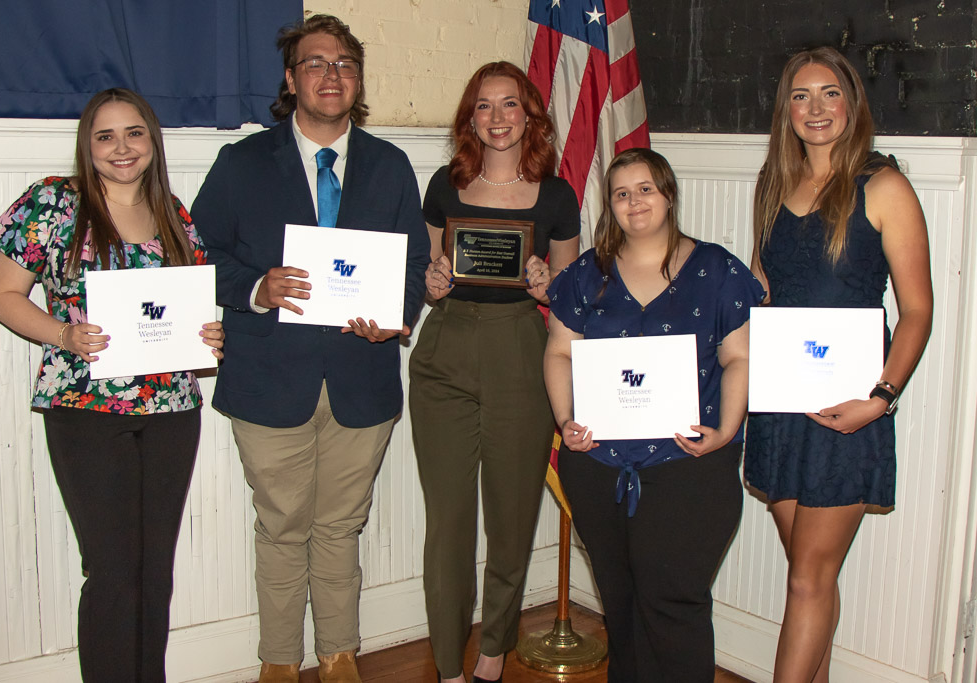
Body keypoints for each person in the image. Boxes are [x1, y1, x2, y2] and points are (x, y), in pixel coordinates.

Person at [189, 14, 428, 683]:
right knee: (283, 524)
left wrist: (396, 315)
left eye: (345, 63)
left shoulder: (390, 165)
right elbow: (196, 252)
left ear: (358, 78)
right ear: (291, 79)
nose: (332, 75)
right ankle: (278, 659)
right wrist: (257, 288)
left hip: (363, 378)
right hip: (268, 375)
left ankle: (340, 651)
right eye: (316, 63)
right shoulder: (242, 163)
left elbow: (413, 266)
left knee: (340, 524)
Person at [0, 88, 224, 683]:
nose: (122, 148)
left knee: (154, 569)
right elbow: (2, 298)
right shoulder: (53, 203)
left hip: (171, 406)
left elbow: (182, 307)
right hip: (86, 406)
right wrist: (63, 335)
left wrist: (208, 334)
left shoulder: (173, 210)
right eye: (106, 135)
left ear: (153, 141)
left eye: (135, 133)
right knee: (114, 571)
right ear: (87, 145)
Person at [744, 47, 932, 682]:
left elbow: (917, 312)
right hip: (781, 404)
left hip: (850, 405)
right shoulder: (773, 186)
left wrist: (881, 397)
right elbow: (764, 291)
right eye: (801, 95)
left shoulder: (884, 186)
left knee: (807, 580)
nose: (815, 108)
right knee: (811, 579)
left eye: (830, 93)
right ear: (786, 110)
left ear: (852, 104)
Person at [544, 148, 764, 682]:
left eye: (645, 188)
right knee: (619, 603)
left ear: (668, 194)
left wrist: (726, 432)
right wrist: (565, 420)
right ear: (609, 205)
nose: (634, 201)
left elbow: (740, 357)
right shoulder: (584, 274)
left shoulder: (717, 270)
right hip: (599, 466)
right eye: (621, 193)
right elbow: (557, 352)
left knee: (674, 604)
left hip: (689, 465)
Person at [409, 61, 580, 683]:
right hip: (445, 353)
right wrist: (431, 284)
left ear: (531, 115)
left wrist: (545, 286)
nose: (498, 118)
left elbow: (569, 294)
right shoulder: (443, 186)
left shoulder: (558, 197)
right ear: (470, 118)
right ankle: (448, 665)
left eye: (511, 105)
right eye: (485, 106)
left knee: (511, 520)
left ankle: (491, 655)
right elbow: (431, 276)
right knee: (448, 524)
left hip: (521, 355)